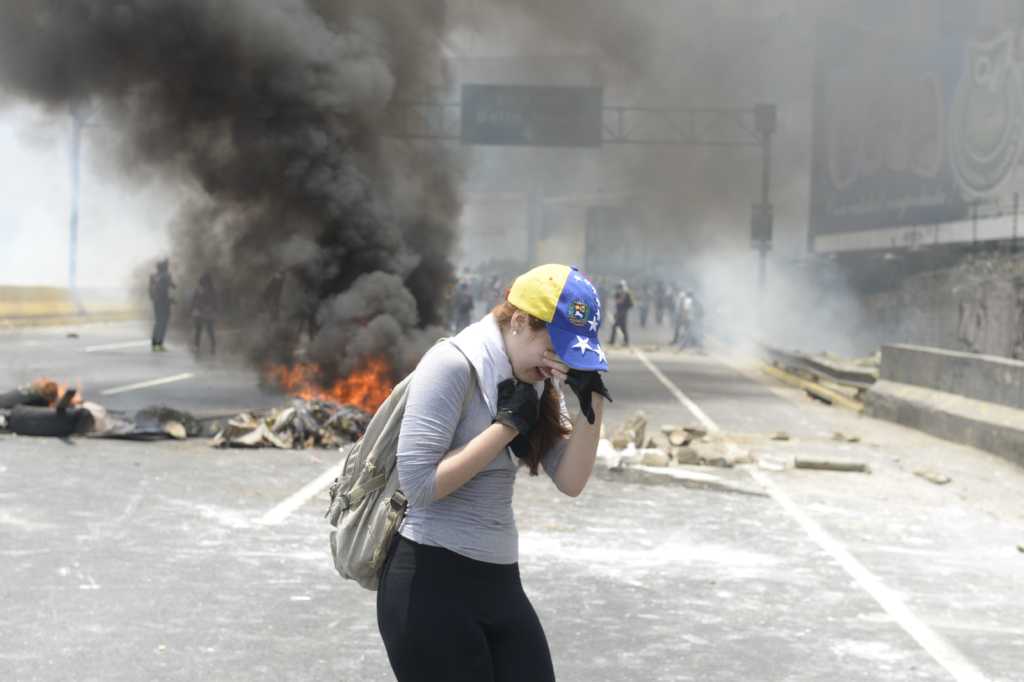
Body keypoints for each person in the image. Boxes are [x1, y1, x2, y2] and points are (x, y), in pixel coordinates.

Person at [377, 263, 612, 682]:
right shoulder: (453, 364)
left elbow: (571, 481)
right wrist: (505, 428)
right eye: (555, 343)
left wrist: (592, 407)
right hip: (429, 582)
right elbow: (419, 485)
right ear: (519, 321)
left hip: (500, 580)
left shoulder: (533, 378)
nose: (558, 360)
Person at [148, 259, 175, 352]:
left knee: (158, 322)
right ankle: (159, 344)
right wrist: (171, 300)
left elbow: (150, 290)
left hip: (156, 302)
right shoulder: (166, 276)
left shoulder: (153, 276)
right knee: (163, 323)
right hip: (164, 303)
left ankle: (154, 344)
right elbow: (173, 287)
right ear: (164, 267)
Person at [190, 271, 218, 356]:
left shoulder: (203, 290)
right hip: (204, 313)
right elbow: (195, 301)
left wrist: (195, 309)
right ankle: (205, 346)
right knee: (206, 330)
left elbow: (194, 301)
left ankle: (198, 346)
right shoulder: (210, 290)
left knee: (203, 330)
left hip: (203, 313)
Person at [608, 279, 634, 346]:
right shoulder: (619, 293)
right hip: (619, 311)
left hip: (623, 312)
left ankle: (614, 341)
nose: (620, 288)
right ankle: (622, 341)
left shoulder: (627, 294)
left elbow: (631, 304)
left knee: (618, 326)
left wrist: (625, 307)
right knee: (620, 327)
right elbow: (616, 300)